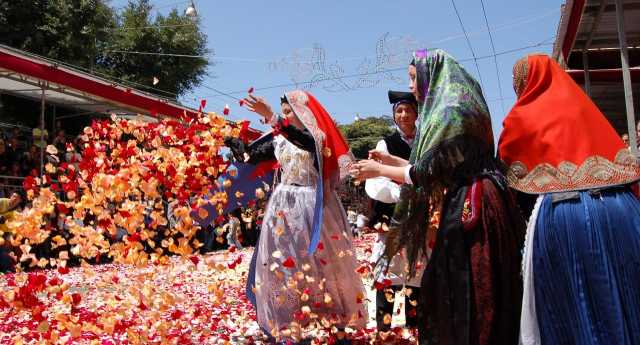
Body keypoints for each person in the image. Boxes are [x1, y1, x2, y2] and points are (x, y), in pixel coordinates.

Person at [350, 49, 526, 345]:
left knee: (465, 282)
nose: (410, 87)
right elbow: (439, 167)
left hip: (472, 205)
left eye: (413, 78)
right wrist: (390, 161)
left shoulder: (450, 113)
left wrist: (378, 168)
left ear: (431, 75)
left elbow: (428, 172)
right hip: (470, 197)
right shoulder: (457, 105)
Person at [499, 53, 640, 345]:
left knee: (572, 309)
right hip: (622, 210)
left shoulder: (521, 116)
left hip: (564, 216)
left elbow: (508, 169)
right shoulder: (585, 109)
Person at [230, 90, 367, 342]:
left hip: (312, 205)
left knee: (320, 262)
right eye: (284, 112)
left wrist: (271, 117)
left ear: (305, 112)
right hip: (283, 205)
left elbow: (303, 141)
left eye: (289, 111)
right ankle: (288, 317)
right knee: (283, 262)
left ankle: (330, 316)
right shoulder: (278, 139)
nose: (286, 116)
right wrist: (234, 145)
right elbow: (251, 157)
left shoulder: (316, 138)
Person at [365, 90, 425, 332]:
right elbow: (375, 179)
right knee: (388, 270)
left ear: (416, 114)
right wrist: (401, 193)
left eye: (408, 110)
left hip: (421, 216)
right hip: (392, 217)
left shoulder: (426, 140)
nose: (403, 115)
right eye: (399, 111)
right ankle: (384, 328)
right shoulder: (385, 144)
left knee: (416, 270)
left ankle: (413, 326)